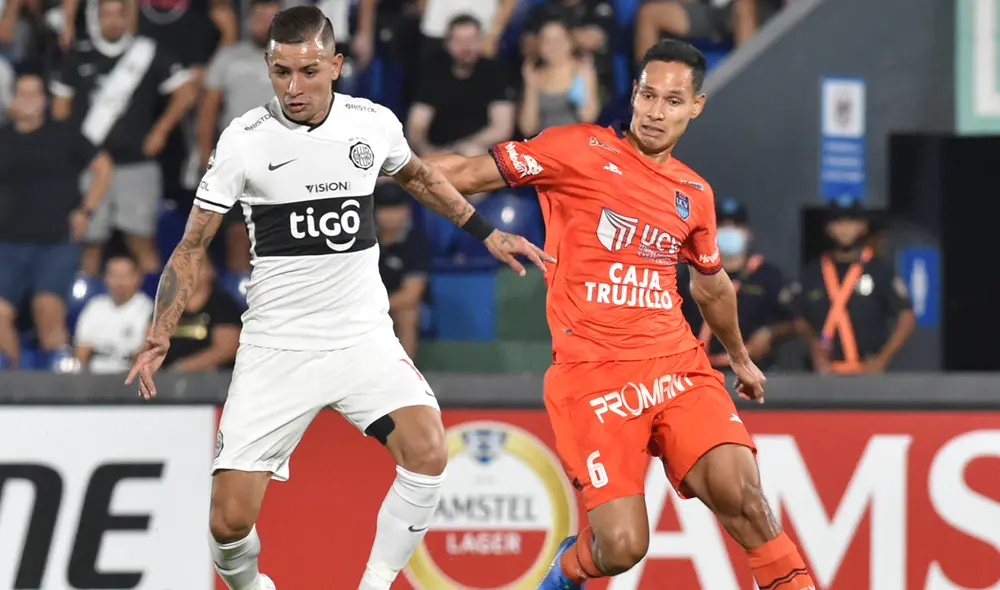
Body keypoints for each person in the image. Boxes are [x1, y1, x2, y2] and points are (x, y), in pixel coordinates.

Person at [124, 6, 552, 590]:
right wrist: (160, 331)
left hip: (360, 337)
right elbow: (192, 243)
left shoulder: (371, 124)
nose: (293, 87)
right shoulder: (244, 142)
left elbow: (423, 179)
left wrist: (487, 231)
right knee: (228, 523)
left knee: (428, 450)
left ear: (336, 65)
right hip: (278, 346)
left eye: (307, 71)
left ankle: (374, 584)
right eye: (280, 72)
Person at [426, 39, 817, 590]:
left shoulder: (694, 193)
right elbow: (465, 171)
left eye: (674, 101)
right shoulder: (576, 148)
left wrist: (740, 358)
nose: (657, 112)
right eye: (649, 95)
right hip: (594, 379)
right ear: (633, 94)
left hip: (677, 368)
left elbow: (711, 287)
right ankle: (566, 570)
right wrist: (384, 168)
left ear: (696, 106)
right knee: (622, 547)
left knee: (747, 501)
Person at [51, 0, 195, 276]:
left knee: (141, 242)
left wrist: (161, 130)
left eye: (121, 14)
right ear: (96, 17)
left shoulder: (148, 52)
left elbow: (186, 91)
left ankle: (153, 316)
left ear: (130, 17)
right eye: (107, 14)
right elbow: (60, 111)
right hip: (89, 168)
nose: (114, 20)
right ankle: (86, 315)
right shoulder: (77, 56)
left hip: (137, 165)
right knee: (88, 245)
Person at [0, 71, 113, 370]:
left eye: (35, 94)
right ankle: (12, 386)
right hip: (7, 243)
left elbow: (103, 166)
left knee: (47, 308)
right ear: (11, 100)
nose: (28, 101)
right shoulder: (3, 137)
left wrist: (86, 210)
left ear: (45, 100)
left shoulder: (64, 134)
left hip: (56, 242)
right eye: (22, 94)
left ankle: (60, 384)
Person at [791, 197, 915, 374]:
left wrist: (881, 360)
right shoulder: (812, 272)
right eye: (839, 222)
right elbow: (797, 316)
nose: (845, 229)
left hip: (867, 372)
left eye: (851, 221)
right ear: (828, 228)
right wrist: (813, 345)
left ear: (863, 226)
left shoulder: (879, 270)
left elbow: (906, 318)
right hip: (822, 376)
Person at [677, 197, 794, 371]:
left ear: (748, 233)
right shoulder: (692, 272)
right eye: (722, 226)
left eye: (735, 226)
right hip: (700, 370)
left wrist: (769, 333)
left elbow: (792, 321)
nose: (729, 232)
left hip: (755, 369)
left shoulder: (768, 275)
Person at [518, 18, 601, 137]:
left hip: (576, 144)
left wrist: (582, 81)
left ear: (570, 42)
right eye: (547, 41)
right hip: (542, 146)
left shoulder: (582, 70)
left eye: (559, 40)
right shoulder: (533, 74)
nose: (554, 46)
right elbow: (528, 128)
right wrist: (530, 86)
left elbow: (588, 116)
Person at [74, 254, 153, 373]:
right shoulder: (94, 306)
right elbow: (81, 350)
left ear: (138, 277)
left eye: (125, 276)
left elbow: (145, 355)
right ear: (105, 279)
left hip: (129, 378)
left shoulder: (148, 309)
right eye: (114, 275)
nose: (119, 282)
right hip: (93, 378)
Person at [160, 256, 241, 371]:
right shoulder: (167, 306)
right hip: (166, 379)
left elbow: (227, 349)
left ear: (210, 271)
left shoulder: (223, 305)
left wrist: (182, 368)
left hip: (213, 378)